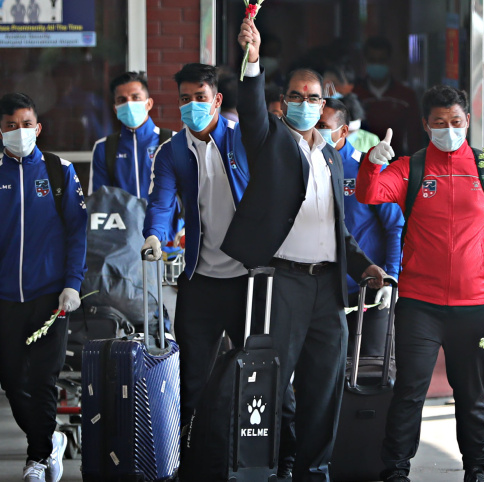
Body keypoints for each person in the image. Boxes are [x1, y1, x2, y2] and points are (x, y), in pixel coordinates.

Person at [225, 18, 386, 481]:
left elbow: (339, 229)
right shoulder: (271, 141)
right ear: (283, 103)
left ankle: (314, 470)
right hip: (284, 283)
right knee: (272, 384)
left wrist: (366, 266)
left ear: (323, 103)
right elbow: (251, 109)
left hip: (328, 289)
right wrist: (252, 59)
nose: (304, 104)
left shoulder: (332, 155)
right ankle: (273, 466)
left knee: (325, 388)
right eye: (295, 96)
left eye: (313, 98)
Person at [355, 84, 484, 482]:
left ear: (467, 121)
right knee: (409, 392)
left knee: (471, 395)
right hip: (420, 304)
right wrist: (372, 162)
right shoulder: (411, 168)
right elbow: (368, 194)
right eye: (439, 123)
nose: (448, 129)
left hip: (473, 305)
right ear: (425, 125)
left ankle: (476, 468)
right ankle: (395, 469)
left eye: (455, 121)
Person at [0, 93, 87, 482]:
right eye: (11, 125)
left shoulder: (59, 171)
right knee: (11, 381)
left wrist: (72, 285)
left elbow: (78, 232)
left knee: (43, 379)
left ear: (38, 128)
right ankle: (50, 438)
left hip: (52, 296)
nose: (19, 131)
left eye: (26, 124)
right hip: (8, 297)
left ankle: (37, 459)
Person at [140, 62, 251, 441]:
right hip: (199, 278)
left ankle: (275, 456)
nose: (192, 106)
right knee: (192, 375)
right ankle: (192, 452)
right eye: (185, 99)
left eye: (200, 97)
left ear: (217, 100)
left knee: (261, 368)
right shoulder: (171, 151)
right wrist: (154, 236)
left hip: (248, 279)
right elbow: (161, 203)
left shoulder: (243, 139)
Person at [317, 97, 402, 356]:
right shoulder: (305, 166)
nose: (316, 131)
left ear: (343, 130)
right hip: (323, 291)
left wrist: (391, 278)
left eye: (323, 125)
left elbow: (395, 226)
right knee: (326, 367)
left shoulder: (368, 167)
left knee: (370, 367)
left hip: (370, 288)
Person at [88, 71, 174, 198]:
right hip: (120, 212)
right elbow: (99, 199)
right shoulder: (104, 147)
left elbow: (189, 192)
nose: (129, 104)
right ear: (116, 109)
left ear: (149, 103)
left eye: (136, 97)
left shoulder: (174, 140)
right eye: (122, 100)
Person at [353, 36, 424, 157]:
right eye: (372, 60)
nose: (377, 64)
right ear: (365, 62)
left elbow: (415, 135)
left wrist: (414, 163)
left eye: (381, 60)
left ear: (389, 62)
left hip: (397, 160)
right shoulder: (355, 94)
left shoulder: (406, 96)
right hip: (362, 161)